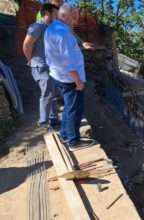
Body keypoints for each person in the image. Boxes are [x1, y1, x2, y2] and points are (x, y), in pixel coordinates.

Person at [45, 4, 94, 151]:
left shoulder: (53, 28)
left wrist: (80, 47)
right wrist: (77, 80)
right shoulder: (64, 33)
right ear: (67, 15)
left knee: (68, 106)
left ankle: (65, 134)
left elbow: (63, 52)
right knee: (75, 109)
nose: (77, 18)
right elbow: (67, 61)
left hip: (58, 75)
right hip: (69, 78)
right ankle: (74, 142)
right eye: (75, 15)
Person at [23, 3, 59, 129]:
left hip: (50, 66)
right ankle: (43, 122)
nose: (57, 17)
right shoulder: (37, 26)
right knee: (47, 92)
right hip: (40, 65)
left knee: (52, 91)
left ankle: (53, 119)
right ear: (47, 14)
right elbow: (27, 44)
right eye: (55, 14)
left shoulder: (50, 28)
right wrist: (30, 60)